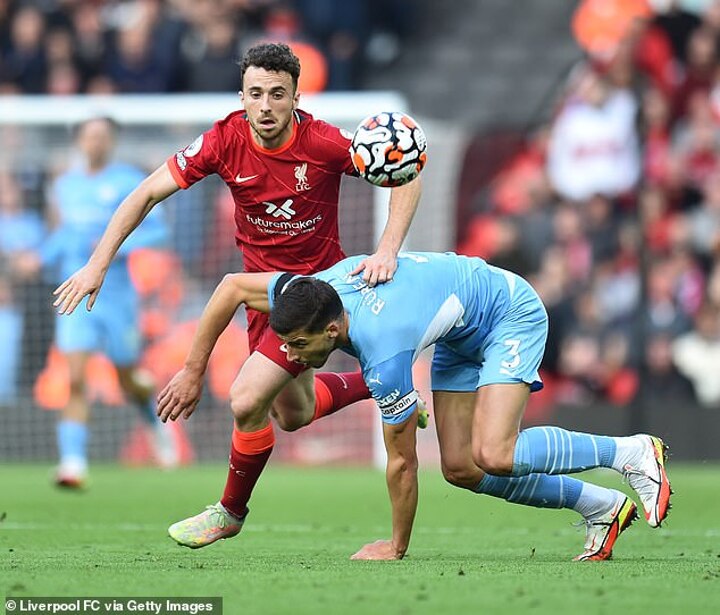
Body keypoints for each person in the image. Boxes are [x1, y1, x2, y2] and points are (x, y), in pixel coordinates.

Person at [52, 44, 421, 537]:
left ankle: (229, 513)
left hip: (316, 291)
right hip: (264, 297)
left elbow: (406, 173)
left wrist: (388, 249)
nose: (265, 106)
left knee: (246, 400)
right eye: (255, 94)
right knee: (293, 413)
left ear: (296, 98)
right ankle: (386, 385)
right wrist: (97, 264)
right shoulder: (222, 141)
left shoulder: (324, 141)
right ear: (242, 97)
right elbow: (146, 193)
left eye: (277, 94)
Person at [158, 251, 672, 560]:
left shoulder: (385, 353)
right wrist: (193, 369)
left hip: (508, 312)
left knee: (495, 453)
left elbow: (402, 463)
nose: (289, 356)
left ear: (332, 330)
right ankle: (601, 507)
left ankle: (630, 452)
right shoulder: (312, 293)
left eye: (297, 344)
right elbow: (231, 287)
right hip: (458, 332)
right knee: (462, 469)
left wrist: (395, 545)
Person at [23, 116, 178, 486]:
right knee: (75, 377)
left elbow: (158, 232)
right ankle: (72, 464)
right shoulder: (66, 186)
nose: (96, 143)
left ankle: (153, 422)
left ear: (112, 141)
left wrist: (113, 248)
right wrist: (40, 257)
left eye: (103, 137)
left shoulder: (128, 181)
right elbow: (66, 234)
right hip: (74, 292)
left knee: (128, 379)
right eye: (90, 136)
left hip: (116, 296)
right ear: (79, 141)